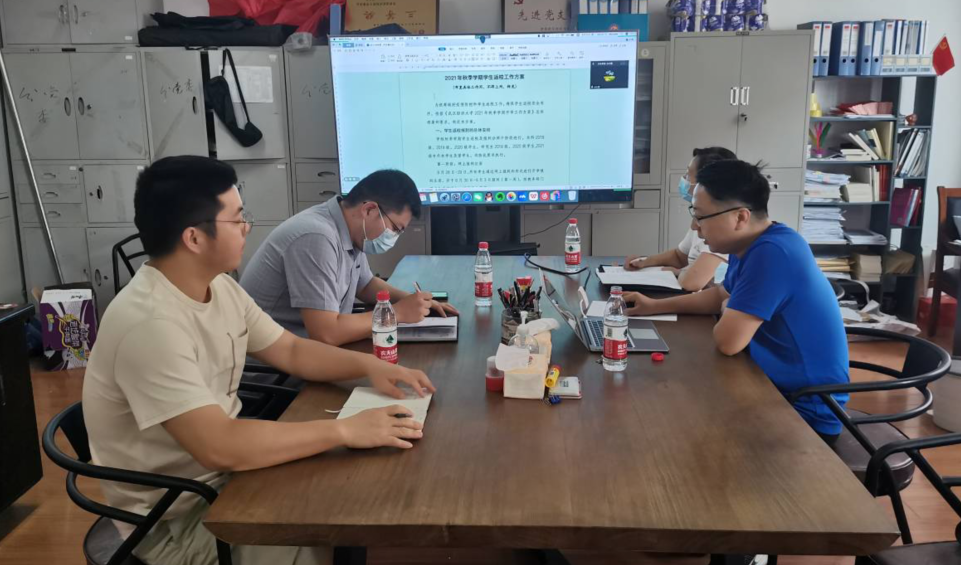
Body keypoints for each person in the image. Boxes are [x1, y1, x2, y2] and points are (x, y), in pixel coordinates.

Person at [82, 156, 436, 565]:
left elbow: (292, 350)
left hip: (229, 480)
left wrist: (373, 367)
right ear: (194, 238)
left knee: (351, 496)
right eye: (237, 219)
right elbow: (219, 446)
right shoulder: (148, 324)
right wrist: (345, 430)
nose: (247, 228)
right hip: (180, 521)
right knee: (337, 513)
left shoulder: (220, 288)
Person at [624, 159, 849, 443]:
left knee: (666, 420)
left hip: (803, 411)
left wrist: (728, 306)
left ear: (741, 217)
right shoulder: (751, 245)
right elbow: (720, 295)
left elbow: (728, 342)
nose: (695, 226)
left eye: (701, 217)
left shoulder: (773, 253)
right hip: (766, 383)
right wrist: (654, 306)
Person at [240, 170, 457, 346]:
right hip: (274, 373)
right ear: (369, 210)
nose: (394, 237)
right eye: (395, 229)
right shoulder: (316, 237)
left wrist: (414, 302)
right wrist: (397, 313)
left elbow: (366, 284)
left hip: (309, 352)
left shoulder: (349, 230)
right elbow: (326, 333)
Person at [624, 147, 736, 291]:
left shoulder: (722, 226)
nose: (684, 179)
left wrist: (678, 272)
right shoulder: (701, 217)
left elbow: (692, 282)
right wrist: (645, 261)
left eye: (688, 174)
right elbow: (679, 257)